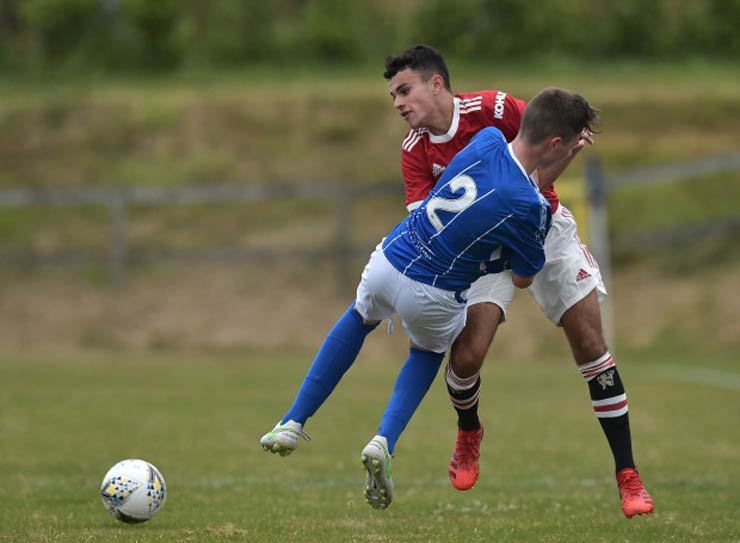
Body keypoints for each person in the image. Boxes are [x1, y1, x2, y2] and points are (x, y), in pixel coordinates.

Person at [260, 87, 597, 510]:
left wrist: (558, 160)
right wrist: (564, 163)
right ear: (555, 146)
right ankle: (384, 440)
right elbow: (526, 276)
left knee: (358, 317)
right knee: (426, 353)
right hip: (434, 289)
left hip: (393, 255)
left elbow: (512, 174)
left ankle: (293, 420)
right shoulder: (531, 208)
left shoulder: (488, 137)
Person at [383, 44, 653, 518]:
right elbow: (430, 227)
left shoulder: (494, 110)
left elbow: (554, 136)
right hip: (484, 252)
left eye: (405, 90)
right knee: (465, 359)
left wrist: (570, 142)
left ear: (436, 83)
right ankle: (470, 430)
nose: (399, 103)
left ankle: (628, 475)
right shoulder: (414, 153)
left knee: (591, 344)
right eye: (394, 96)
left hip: (543, 228)